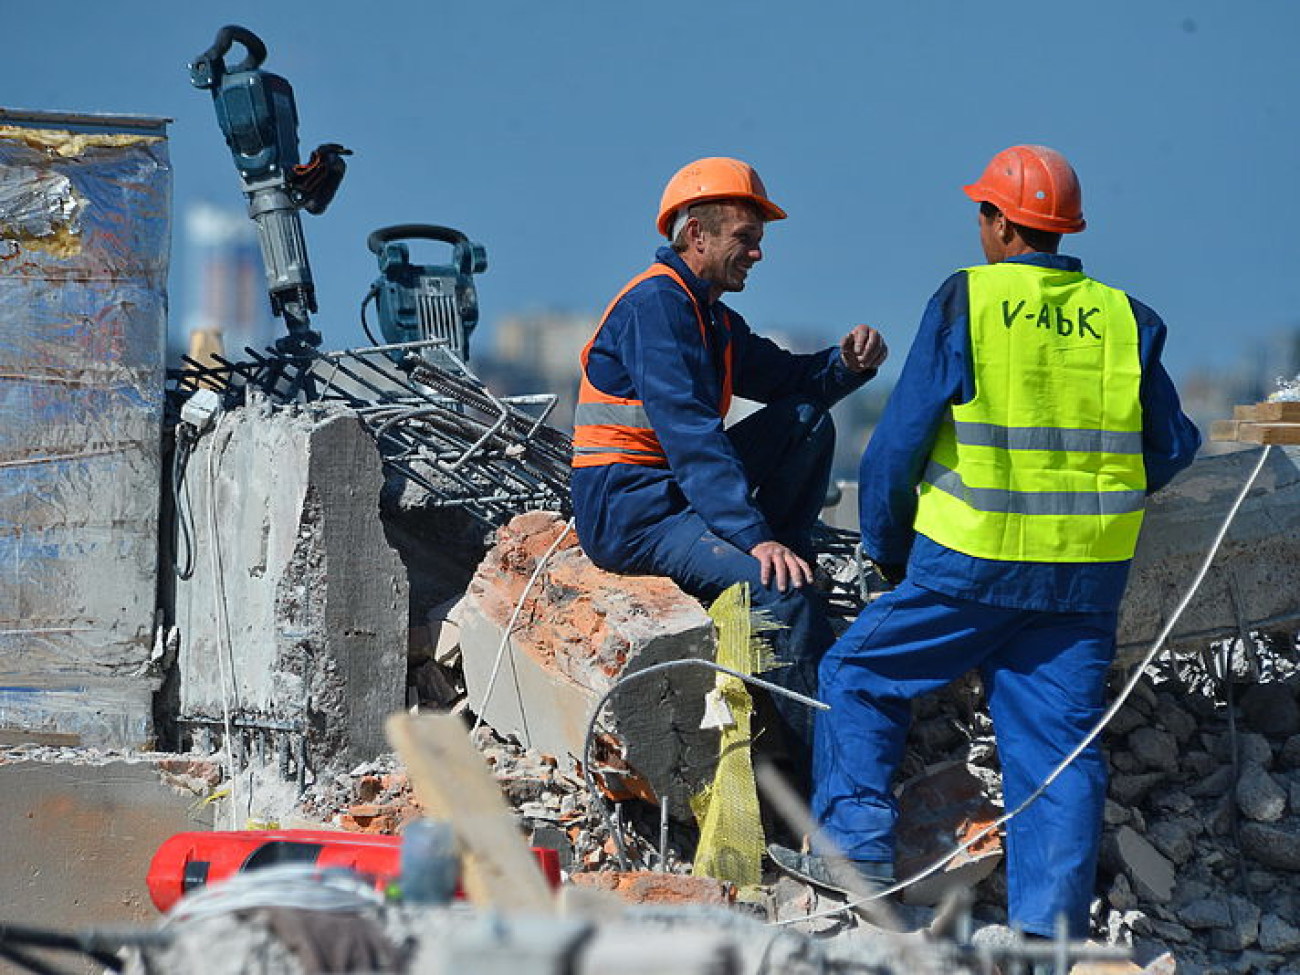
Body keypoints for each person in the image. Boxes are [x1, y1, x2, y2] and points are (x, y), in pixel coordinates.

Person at [770, 145, 1201, 939]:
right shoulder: (1126, 318)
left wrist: (885, 545)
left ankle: (860, 872)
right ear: (1064, 229)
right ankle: (1050, 936)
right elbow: (1171, 446)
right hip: (1082, 581)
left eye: (981, 212)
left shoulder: (967, 300)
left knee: (859, 674)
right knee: (1058, 753)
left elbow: (899, 442)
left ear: (1000, 223)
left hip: (968, 564)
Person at [570, 156, 888, 766]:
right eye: (746, 240)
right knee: (782, 594)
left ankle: (788, 556)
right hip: (635, 514)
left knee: (805, 419)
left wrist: (848, 365)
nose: (758, 255)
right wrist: (753, 540)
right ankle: (829, 789)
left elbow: (790, 380)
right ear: (698, 235)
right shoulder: (656, 308)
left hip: (672, 495)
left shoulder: (706, 312)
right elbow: (692, 435)